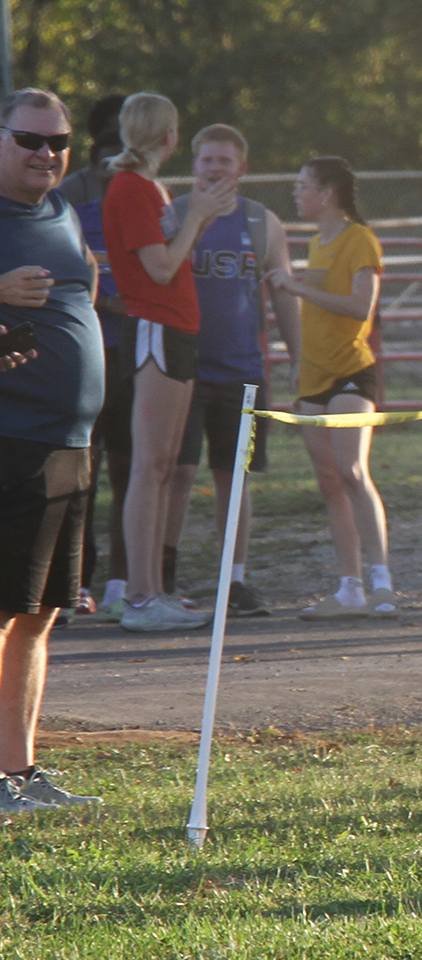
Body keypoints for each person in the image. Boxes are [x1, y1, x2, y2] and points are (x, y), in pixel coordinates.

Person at [0, 87, 107, 810]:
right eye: (30, 139)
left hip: (69, 440)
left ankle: (19, 771)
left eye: (58, 141)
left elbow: (86, 278)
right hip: (10, 439)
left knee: (37, 612)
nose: (46, 152)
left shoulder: (61, 208)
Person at [102, 92, 235, 632]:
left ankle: (154, 588)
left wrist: (200, 219)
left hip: (177, 325)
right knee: (149, 464)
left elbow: (171, 255)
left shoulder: (151, 188)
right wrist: (197, 215)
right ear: (169, 136)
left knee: (162, 466)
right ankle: (138, 595)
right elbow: (158, 269)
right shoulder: (131, 188)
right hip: (154, 323)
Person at [157, 125, 300, 616]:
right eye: (207, 160)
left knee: (232, 476)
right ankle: (163, 576)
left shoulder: (261, 221)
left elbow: (283, 293)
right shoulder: (173, 214)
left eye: (225, 161)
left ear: (241, 167)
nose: (215, 168)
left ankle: (234, 580)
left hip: (242, 368)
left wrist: (299, 360)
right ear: (194, 165)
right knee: (176, 472)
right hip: (183, 366)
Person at [271, 156, 396, 619]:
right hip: (313, 376)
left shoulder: (359, 240)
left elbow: (361, 307)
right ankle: (350, 588)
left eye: (303, 186)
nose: (296, 193)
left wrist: (298, 289)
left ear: (328, 193)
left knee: (352, 471)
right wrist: (299, 361)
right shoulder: (314, 241)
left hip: (350, 372)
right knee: (329, 482)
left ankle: (382, 581)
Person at [57, 95, 129, 620]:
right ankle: (78, 578)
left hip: (134, 346)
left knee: (132, 465)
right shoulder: (69, 195)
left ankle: (130, 578)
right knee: (85, 465)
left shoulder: (144, 192)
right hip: (87, 345)